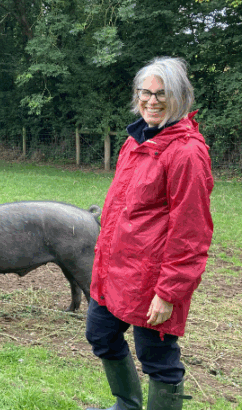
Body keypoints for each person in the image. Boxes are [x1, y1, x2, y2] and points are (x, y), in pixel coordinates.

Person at [86, 56, 213, 410]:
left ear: (181, 98)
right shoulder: (135, 140)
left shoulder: (187, 152)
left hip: (152, 280)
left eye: (162, 94)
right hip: (113, 271)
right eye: (146, 92)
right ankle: (127, 405)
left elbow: (192, 232)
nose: (152, 101)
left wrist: (169, 292)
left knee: (158, 359)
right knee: (100, 334)